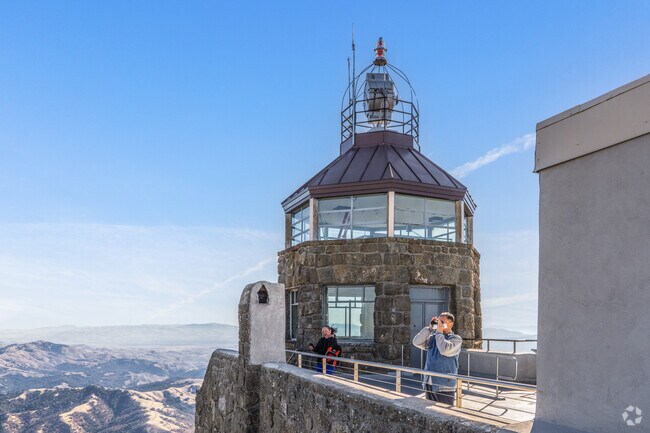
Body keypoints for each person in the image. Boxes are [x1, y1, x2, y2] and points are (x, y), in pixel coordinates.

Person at [412, 312, 462, 405]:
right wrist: (430, 329)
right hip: (429, 383)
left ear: (451, 324)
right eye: (438, 321)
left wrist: (439, 332)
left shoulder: (456, 339)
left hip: (444, 386)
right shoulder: (434, 338)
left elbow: (444, 350)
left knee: (444, 414)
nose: (439, 324)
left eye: (442, 322)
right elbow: (416, 342)